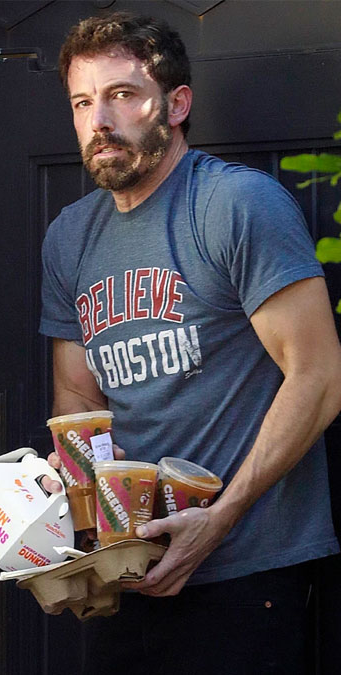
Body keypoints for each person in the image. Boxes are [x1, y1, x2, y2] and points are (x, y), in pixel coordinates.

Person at [38, 12, 341, 672]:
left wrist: (222, 516)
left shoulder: (237, 206)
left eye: (122, 95)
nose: (99, 122)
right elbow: (78, 404)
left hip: (245, 572)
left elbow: (319, 378)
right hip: (128, 576)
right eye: (83, 103)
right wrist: (71, 538)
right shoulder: (68, 238)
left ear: (176, 104)